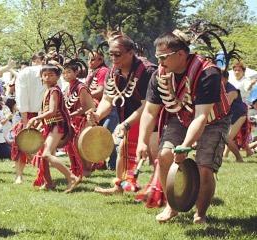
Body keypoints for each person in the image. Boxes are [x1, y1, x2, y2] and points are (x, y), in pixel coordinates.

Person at [136, 31, 230, 224]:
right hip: (181, 117)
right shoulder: (159, 75)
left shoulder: (207, 72)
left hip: (213, 120)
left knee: (204, 168)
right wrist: (142, 142)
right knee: (164, 155)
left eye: (163, 57)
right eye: (158, 57)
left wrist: (185, 146)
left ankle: (200, 214)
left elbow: (202, 116)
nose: (160, 62)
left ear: (181, 54)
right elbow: (149, 112)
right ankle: (172, 206)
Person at [89, 34, 157, 194]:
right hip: (128, 117)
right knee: (124, 151)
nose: (113, 58)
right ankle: (119, 187)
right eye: (110, 54)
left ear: (131, 52)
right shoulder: (112, 72)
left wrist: (127, 123)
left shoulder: (147, 71)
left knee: (155, 154)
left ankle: (158, 191)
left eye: (117, 54)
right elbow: (107, 98)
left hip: (153, 117)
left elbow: (148, 105)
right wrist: (98, 115)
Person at [28, 64, 80, 192]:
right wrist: (40, 124)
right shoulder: (48, 90)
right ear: (41, 77)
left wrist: (36, 118)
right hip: (51, 125)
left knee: (46, 154)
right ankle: (49, 183)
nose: (47, 77)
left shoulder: (54, 90)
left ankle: (71, 177)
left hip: (57, 125)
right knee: (42, 155)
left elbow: (52, 110)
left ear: (57, 77)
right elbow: (47, 111)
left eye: (51, 75)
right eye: (45, 75)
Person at [12, 52, 45, 184]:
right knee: (40, 145)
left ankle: (21, 175)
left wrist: (25, 119)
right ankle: (40, 173)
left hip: (34, 113)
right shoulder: (50, 71)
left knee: (22, 144)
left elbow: (21, 96)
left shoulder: (25, 72)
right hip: (42, 113)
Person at [63, 59, 94, 177]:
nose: (66, 75)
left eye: (69, 72)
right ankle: (75, 169)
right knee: (70, 145)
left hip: (82, 120)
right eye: (64, 73)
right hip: (71, 120)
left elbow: (86, 107)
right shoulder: (67, 88)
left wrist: (70, 115)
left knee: (80, 144)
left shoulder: (81, 87)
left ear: (76, 73)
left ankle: (86, 169)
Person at [222, 71, 250, 162]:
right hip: (231, 116)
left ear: (226, 79)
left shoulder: (232, 90)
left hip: (239, 115)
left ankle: (239, 158)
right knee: (225, 137)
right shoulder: (221, 87)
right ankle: (223, 156)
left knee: (227, 138)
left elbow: (226, 105)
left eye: (219, 78)